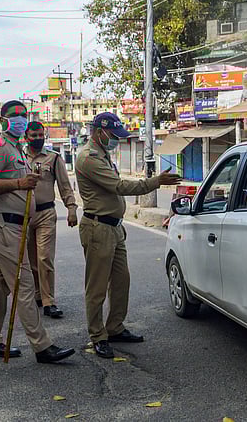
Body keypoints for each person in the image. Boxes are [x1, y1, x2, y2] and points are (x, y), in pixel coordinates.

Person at [75, 112, 181, 359]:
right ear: (99, 132)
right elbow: (119, 187)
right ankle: (98, 335)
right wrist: (155, 182)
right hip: (98, 228)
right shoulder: (89, 158)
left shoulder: (102, 154)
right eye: (113, 136)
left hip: (113, 228)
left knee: (121, 281)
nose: (115, 141)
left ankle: (115, 327)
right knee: (97, 287)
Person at [0, 100, 75, 364]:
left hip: (13, 227)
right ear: (2, 120)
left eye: (23, 115)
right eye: (14, 116)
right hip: (3, 226)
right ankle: (42, 346)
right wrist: (19, 182)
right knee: (25, 285)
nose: (20, 119)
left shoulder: (16, 149)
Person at [24, 121, 79, 319]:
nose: (38, 138)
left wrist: (71, 208)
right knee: (30, 261)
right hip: (24, 216)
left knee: (45, 258)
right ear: (26, 137)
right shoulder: (19, 158)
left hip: (46, 213)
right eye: (34, 135)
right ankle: (37, 295)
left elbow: (65, 186)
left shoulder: (53, 159)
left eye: (41, 135)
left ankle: (49, 302)